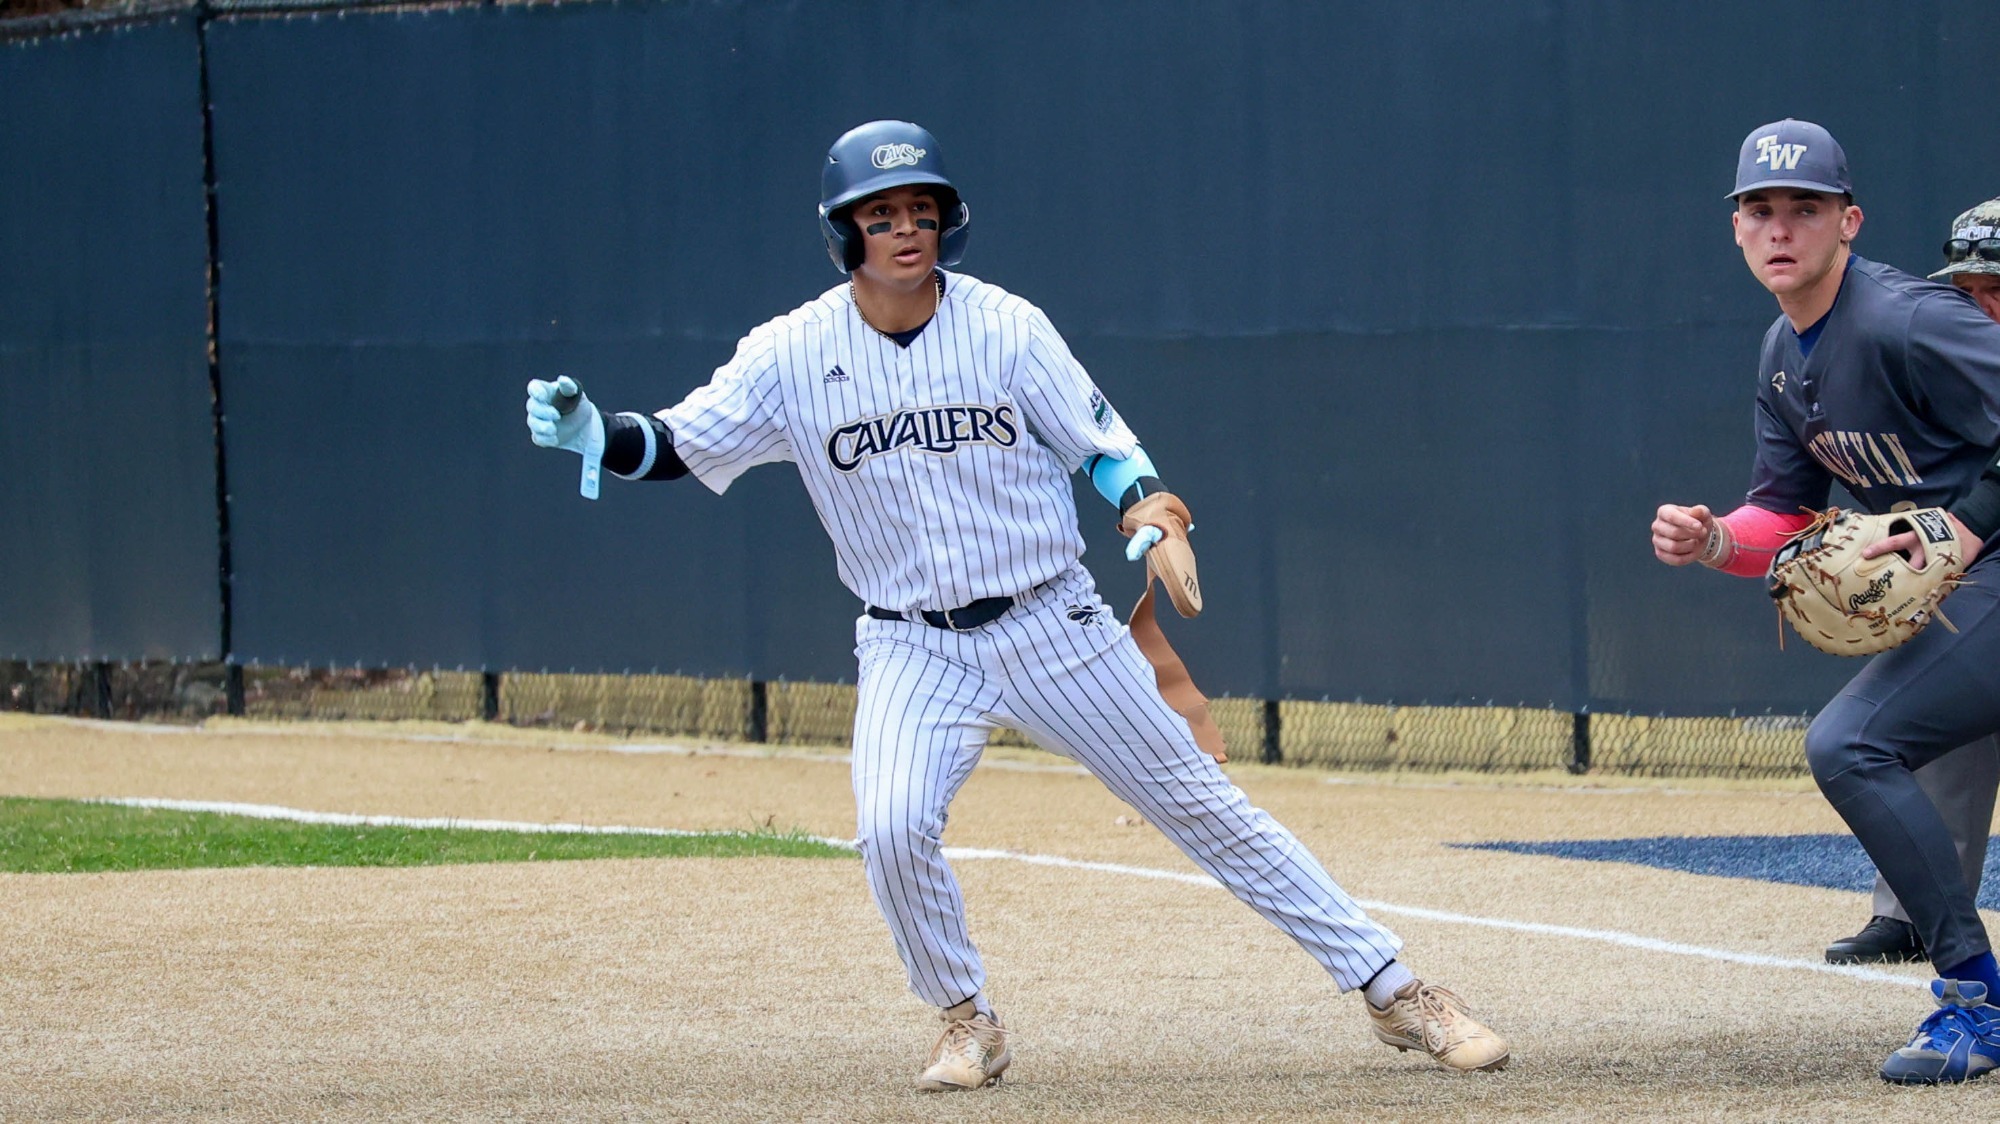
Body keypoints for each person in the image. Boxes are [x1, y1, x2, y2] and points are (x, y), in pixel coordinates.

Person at [525, 120, 1509, 1090]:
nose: (904, 229)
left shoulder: (1006, 327)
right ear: (844, 231)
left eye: (921, 210)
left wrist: (1148, 509)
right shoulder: (790, 352)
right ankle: (967, 1020)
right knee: (891, 826)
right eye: (880, 214)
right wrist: (592, 432)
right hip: (911, 643)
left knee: (1203, 806)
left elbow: (1103, 447)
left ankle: (1395, 990)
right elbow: (675, 444)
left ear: (945, 222)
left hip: (1050, 622)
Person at [1651, 120, 2000, 1084]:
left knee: (1852, 744)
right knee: (1864, 744)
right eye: (1760, 209)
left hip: (1988, 564)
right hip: (1967, 587)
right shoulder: (1782, 351)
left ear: (1849, 221)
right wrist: (1714, 539)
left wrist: (1967, 523)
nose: (1780, 228)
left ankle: (1978, 1002)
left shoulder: (1905, 319)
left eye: (1805, 208)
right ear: (1735, 228)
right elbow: (1784, 511)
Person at [1823, 198, 2000, 968]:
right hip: (1976, 560)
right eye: (1969, 289)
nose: (1983, 305)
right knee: (1937, 701)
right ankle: (1914, 911)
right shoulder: (1943, 353)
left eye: (1999, 287)